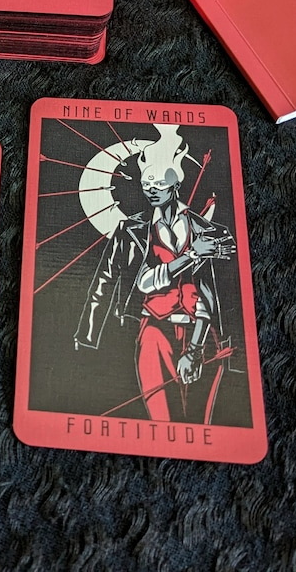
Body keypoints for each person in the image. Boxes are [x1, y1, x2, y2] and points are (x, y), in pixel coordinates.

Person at [75, 126, 234, 423]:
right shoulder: (132, 230)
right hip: (153, 332)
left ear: (176, 184)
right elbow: (108, 279)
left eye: (159, 183)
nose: (151, 189)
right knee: (162, 419)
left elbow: (221, 291)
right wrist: (88, 334)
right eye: (147, 182)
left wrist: (197, 350)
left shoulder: (211, 232)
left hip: (203, 334)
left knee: (201, 423)